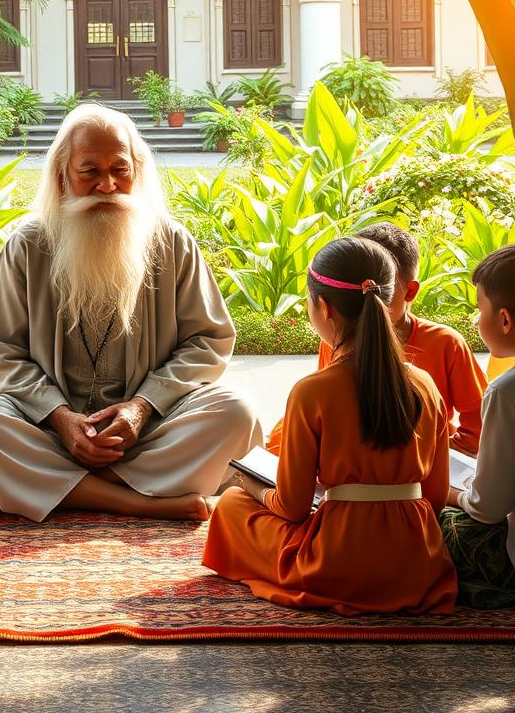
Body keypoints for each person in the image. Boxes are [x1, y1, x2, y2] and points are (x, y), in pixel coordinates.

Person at [0, 104, 261, 522]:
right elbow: (3, 354)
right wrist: (60, 419)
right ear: (63, 175)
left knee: (235, 411)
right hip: (49, 431)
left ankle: (53, 489)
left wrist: (142, 407)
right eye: (89, 171)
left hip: (146, 431)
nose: (108, 185)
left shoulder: (171, 243)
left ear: (137, 170)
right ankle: (132, 497)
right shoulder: (28, 247)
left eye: (120, 169)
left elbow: (208, 341)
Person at [203, 236, 457, 615]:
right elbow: (434, 499)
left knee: (232, 505)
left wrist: (253, 487)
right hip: (416, 565)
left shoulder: (313, 391)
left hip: (337, 565)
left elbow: (292, 508)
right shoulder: (424, 384)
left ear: (323, 307)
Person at [266, 223, 486, 455]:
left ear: (409, 291)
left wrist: (422, 453)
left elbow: (479, 432)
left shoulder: (446, 343)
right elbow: (329, 413)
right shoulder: (333, 341)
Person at [440, 247, 515, 608]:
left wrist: (449, 491)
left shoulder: (505, 392)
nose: (475, 319)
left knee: (432, 520)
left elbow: (488, 509)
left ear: (504, 320)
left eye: (479, 307)